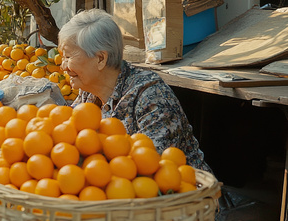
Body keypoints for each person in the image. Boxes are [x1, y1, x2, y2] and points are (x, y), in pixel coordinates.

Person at [58, 9, 212, 173]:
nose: (63, 66)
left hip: (182, 192)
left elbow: (150, 163)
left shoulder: (149, 94)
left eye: (68, 57)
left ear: (100, 59)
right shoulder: (88, 93)